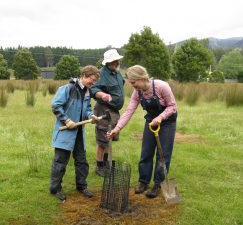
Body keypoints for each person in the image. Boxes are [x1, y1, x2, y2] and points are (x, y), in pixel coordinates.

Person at [107, 65, 177, 198]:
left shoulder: (162, 86)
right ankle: (143, 181)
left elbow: (172, 106)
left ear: (143, 78)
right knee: (146, 152)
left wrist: (161, 117)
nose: (132, 86)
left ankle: (158, 183)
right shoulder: (138, 92)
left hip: (167, 122)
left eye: (133, 82)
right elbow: (129, 111)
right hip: (151, 121)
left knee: (163, 154)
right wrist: (117, 128)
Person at [50, 65, 100, 201]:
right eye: (92, 79)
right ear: (84, 75)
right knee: (60, 162)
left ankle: (81, 186)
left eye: (95, 81)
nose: (93, 83)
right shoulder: (67, 89)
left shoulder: (88, 92)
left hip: (79, 133)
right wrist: (66, 120)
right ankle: (55, 189)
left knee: (82, 161)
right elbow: (56, 106)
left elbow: (88, 108)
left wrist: (91, 116)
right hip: (65, 132)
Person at [90, 49, 125, 177]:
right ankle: (99, 167)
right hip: (104, 110)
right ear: (109, 62)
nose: (118, 62)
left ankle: (106, 165)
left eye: (118, 60)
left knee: (109, 138)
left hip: (115, 111)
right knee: (103, 140)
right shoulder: (101, 74)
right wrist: (102, 94)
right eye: (115, 60)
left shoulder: (116, 72)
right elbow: (92, 88)